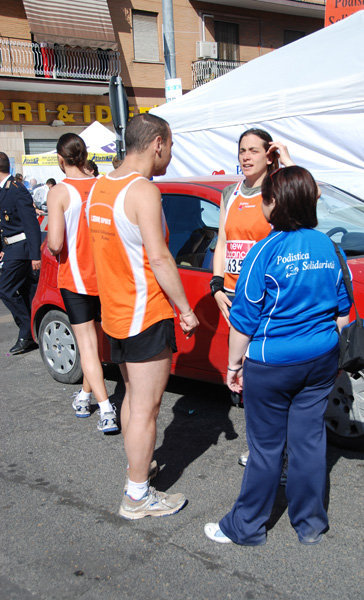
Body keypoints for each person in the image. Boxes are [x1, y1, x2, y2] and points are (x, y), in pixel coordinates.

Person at [204, 166, 352, 546]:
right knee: (309, 443)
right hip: (321, 359)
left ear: (274, 203)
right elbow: (343, 313)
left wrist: (233, 367)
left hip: (272, 363)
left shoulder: (264, 251)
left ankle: (246, 526)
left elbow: (244, 322)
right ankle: (311, 525)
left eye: (265, 199)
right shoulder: (330, 247)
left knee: (266, 449)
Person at [87, 113, 199, 519]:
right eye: (170, 145)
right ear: (156, 143)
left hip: (116, 313)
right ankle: (137, 495)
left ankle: (138, 471)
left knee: (134, 400)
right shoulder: (143, 191)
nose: (170, 153)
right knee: (147, 408)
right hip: (145, 311)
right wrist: (185, 308)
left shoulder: (102, 186)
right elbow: (159, 256)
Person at [209, 128, 294, 468]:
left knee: (269, 373)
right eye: (242, 150)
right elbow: (223, 240)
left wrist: (287, 160)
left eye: (253, 151)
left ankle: (281, 450)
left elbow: (312, 196)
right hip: (234, 293)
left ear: (268, 155)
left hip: (268, 294)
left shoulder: (277, 189)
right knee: (245, 375)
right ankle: (263, 447)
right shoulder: (229, 192)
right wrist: (216, 285)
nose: (245, 156)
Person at [46, 134, 118, 434]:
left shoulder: (59, 192)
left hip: (76, 276)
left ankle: (106, 409)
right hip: (106, 273)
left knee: (87, 344)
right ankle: (85, 395)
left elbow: (55, 243)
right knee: (97, 342)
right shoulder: (102, 185)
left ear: (60, 160)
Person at [0, 152, 41, 354]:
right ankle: (33, 331)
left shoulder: (16, 190)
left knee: (5, 289)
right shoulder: (4, 190)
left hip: (22, 249)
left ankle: (26, 330)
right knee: (27, 291)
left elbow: (31, 223)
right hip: (12, 248)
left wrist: (35, 255)